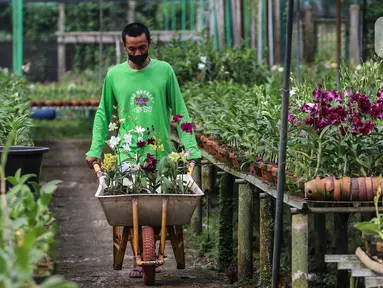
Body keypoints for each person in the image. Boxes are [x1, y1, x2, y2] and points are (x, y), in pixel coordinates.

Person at [84, 23, 201, 277]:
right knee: (136, 204)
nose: (137, 53)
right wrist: (95, 149)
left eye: (142, 47)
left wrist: (191, 148)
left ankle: (148, 253)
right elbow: (104, 114)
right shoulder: (114, 75)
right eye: (132, 48)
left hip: (162, 157)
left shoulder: (164, 71)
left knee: (157, 206)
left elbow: (180, 111)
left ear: (150, 43)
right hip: (129, 154)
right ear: (124, 46)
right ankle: (142, 257)